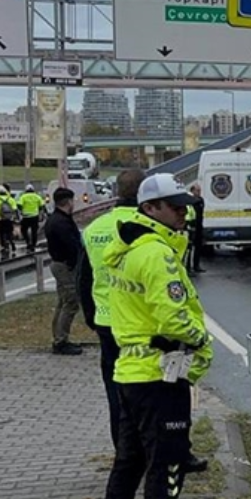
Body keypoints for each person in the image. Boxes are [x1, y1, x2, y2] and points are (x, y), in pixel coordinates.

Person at [103, 173, 214, 499]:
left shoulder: (127, 247)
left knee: (129, 462)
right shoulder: (156, 254)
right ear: (150, 209)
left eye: (186, 207)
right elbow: (174, 319)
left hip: (131, 372)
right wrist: (203, 341)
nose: (184, 213)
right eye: (175, 207)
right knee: (168, 466)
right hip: (160, 374)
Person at [77, 168, 145, 448]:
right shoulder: (150, 225)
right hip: (142, 323)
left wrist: (91, 317)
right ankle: (148, 446)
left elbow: (84, 278)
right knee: (147, 389)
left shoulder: (94, 229)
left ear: (117, 192)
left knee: (115, 390)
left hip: (106, 322)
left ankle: (123, 449)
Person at [43, 187, 84, 356]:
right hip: (65, 266)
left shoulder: (55, 219)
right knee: (71, 302)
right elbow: (72, 245)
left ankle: (58, 337)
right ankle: (61, 341)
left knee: (62, 302)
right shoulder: (62, 223)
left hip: (59, 263)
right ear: (68, 202)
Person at [183, 184, 205, 275]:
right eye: (197, 190)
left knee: (198, 247)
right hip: (190, 227)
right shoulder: (189, 201)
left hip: (198, 226)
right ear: (192, 191)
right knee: (189, 249)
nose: (199, 192)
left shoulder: (200, 200)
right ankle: (188, 268)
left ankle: (196, 266)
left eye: (200, 190)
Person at [19, 184, 45, 251]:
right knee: (34, 231)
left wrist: (21, 211)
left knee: (24, 230)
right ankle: (33, 244)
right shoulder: (37, 196)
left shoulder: (23, 197)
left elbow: (19, 205)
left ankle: (28, 242)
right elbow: (41, 206)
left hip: (26, 216)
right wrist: (40, 213)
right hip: (34, 216)